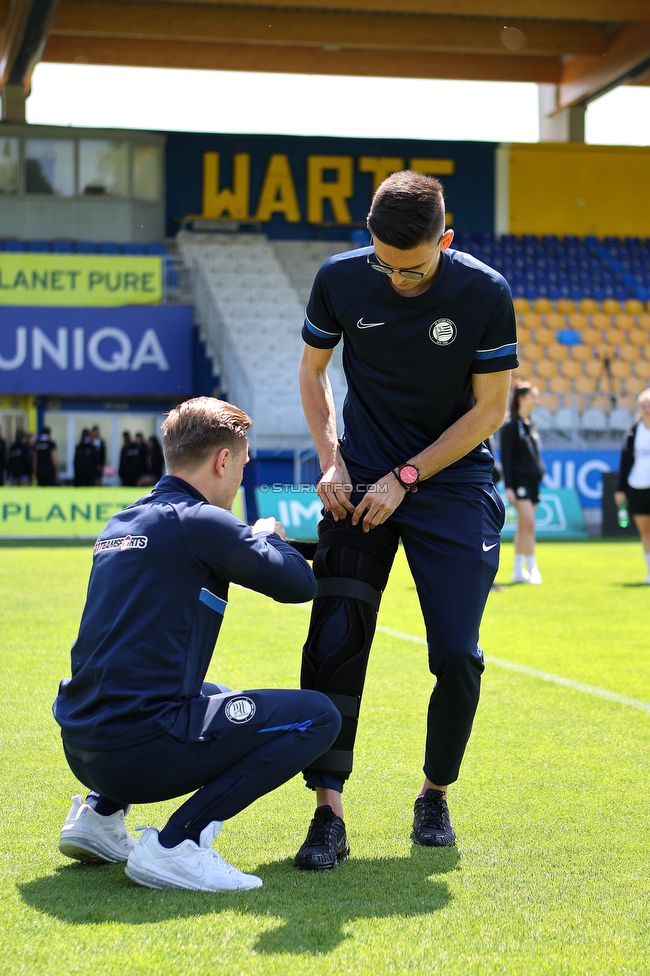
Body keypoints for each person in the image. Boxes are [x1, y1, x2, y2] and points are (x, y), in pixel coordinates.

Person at [294, 170, 516, 870]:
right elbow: (313, 371)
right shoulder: (339, 280)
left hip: (450, 483)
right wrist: (331, 460)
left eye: (413, 269)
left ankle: (434, 793)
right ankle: (327, 811)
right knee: (335, 637)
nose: (396, 281)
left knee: (457, 654)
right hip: (357, 480)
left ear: (444, 241)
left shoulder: (485, 293)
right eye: (385, 266)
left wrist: (407, 477)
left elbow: (491, 411)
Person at [53, 396, 340, 892]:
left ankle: (99, 816)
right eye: (243, 466)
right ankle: (177, 845)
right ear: (222, 460)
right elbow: (300, 585)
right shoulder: (203, 521)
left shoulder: (122, 522)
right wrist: (266, 535)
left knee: (212, 694)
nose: (241, 479)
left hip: (82, 746)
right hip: (137, 753)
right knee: (318, 716)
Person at [499, 381, 546, 585]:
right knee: (529, 523)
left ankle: (518, 570)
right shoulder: (510, 426)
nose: (537, 400)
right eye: (533, 396)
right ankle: (532, 567)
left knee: (523, 526)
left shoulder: (531, 424)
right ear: (521, 398)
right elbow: (506, 458)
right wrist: (509, 486)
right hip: (519, 481)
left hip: (532, 480)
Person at [615, 388, 650, 584]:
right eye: (644, 406)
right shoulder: (633, 432)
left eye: (649, 406)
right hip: (637, 486)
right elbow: (625, 462)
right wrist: (620, 489)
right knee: (645, 531)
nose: (646, 410)